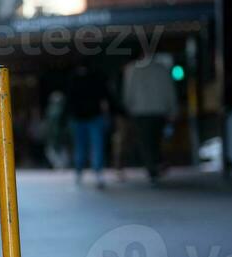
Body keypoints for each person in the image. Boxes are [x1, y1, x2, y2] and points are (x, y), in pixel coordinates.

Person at [122, 53, 179, 183]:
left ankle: (152, 167)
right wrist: (173, 109)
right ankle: (155, 164)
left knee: (145, 141)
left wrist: (127, 107)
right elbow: (169, 90)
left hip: (140, 111)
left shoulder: (132, 69)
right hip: (159, 110)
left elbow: (129, 90)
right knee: (156, 139)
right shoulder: (162, 69)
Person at [63, 63, 112, 188]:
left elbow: (68, 100)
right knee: (94, 145)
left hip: (86, 117)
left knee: (84, 146)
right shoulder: (93, 77)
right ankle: (90, 172)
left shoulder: (74, 79)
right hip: (87, 117)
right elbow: (104, 97)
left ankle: (83, 172)